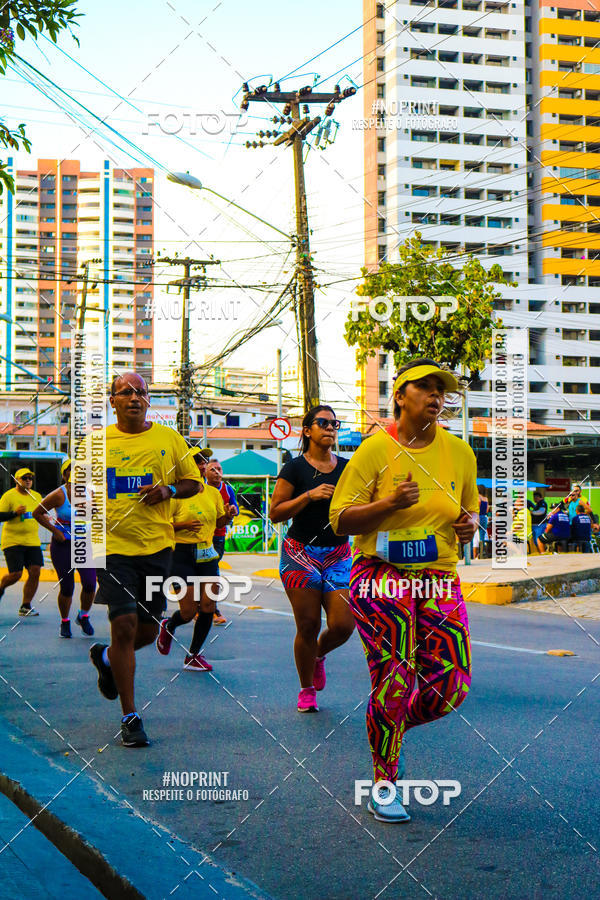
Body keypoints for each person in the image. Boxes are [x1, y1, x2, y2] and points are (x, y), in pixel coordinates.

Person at [329, 359, 478, 824]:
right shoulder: (375, 450)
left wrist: (470, 526)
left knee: (452, 685)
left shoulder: (460, 453)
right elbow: (340, 519)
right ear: (400, 395)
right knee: (394, 677)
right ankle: (384, 783)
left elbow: (469, 516)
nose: (435, 395)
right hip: (380, 574)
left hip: (437, 577)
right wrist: (389, 504)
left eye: (441, 389)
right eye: (425, 387)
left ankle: (387, 722)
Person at [86, 372, 200, 747]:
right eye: (126, 392)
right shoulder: (96, 443)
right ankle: (131, 717)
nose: (135, 398)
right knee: (124, 627)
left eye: (142, 392)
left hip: (156, 548)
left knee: (146, 634)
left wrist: (168, 489)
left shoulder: (168, 438)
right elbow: (80, 492)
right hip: (113, 548)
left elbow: (194, 482)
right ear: (112, 401)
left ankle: (106, 659)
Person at [269, 405, 355, 714]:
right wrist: (309, 496)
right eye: (323, 422)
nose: (330, 427)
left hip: (339, 555)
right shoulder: (295, 468)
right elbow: (275, 512)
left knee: (344, 625)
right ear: (307, 431)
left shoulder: (348, 467)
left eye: (335, 423)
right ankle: (306, 688)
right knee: (307, 624)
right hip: (300, 553)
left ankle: (318, 655)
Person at [156, 447, 227, 670]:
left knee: (208, 605)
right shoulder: (175, 494)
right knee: (188, 612)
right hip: (180, 554)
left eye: (203, 460)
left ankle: (194, 655)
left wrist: (228, 514)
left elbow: (219, 523)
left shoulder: (213, 493)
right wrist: (183, 525)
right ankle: (169, 625)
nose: (202, 464)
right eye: (196, 461)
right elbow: (160, 525)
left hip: (207, 554)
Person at [33, 458, 96, 638]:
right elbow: (38, 512)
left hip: (84, 544)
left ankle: (83, 615)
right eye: (72, 469)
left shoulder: (90, 493)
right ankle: (65, 621)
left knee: (90, 583)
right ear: (65, 474)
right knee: (67, 587)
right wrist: (55, 531)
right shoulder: (59, 495)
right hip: (63, 545)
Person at [0, 468, 43, 616]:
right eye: (25, 477)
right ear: (17, 480)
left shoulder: (36, 496)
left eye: (30, 477)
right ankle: (1, 588)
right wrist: (14, 513)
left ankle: (26, 606)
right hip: (13, 541)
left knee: (35, 571)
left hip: (32, 541)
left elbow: (41, 514)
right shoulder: (9, 496)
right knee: (16, 574)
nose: (28, 480)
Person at [205, 458, 239, 625]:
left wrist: (232, 510)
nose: (217, 472)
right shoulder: (200, 489)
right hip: (202, 536)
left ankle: (209, 608)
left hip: (218, 536)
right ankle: (208, 608)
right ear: (205, 473)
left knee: (212, 571)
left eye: (219, 469)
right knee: (207, 572)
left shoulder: (227, 488)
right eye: (213, 469)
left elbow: (235, 507)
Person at [473, 485, 488, 560]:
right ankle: (481, 554)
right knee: (482, 537)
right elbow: (487, 510)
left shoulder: (478, 497)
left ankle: (472, 556)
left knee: (472, 536)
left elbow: (478, 504)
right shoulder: (486, 498)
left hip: (478, 517)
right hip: (484, 518)